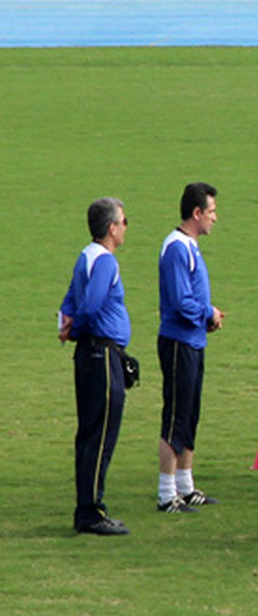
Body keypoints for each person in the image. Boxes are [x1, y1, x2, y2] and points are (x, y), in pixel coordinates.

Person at [59, 197, 132, 535]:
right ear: (111, 228)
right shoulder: (105, 262)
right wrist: (80, 327)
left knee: (90, 433)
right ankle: (90, 511)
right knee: (101, 435)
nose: (126, 227)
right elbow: (89, 307)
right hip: (101, 354)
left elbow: (69, 304)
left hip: (90, 355)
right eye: (124, 221)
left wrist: (67, 327)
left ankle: (88, 506)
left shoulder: (84, 258)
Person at [156, 182, 224, 514]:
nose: (215, 218)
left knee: (190, 413)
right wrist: (206, 313)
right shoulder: (177, 248)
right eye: (211, 211)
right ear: (196, 213)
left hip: (194, 339)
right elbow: (180, 300)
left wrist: (207, 317)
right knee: (176, 415)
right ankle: (166, 492)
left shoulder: (190, 247)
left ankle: (185, 485)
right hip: (179, 342)